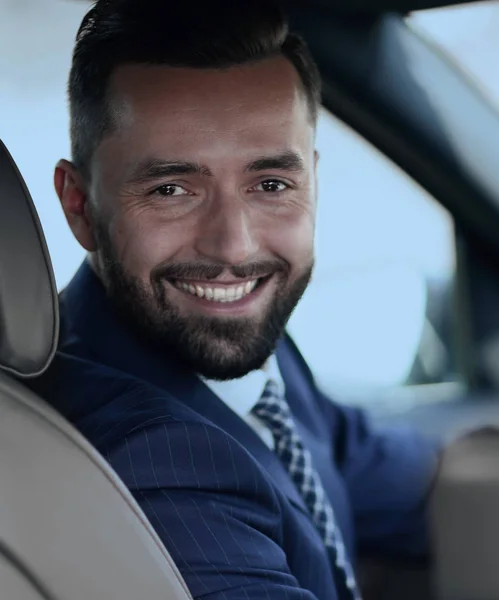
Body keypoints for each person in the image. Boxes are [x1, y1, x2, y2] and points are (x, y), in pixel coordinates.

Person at [30, 1, 440, 598]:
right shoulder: (150, 464)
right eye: (171, 189)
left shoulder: (238, 338)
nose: (233, 247)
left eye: (271, 185)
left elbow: (364, 464)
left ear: (313, 183)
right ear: (79, 206)